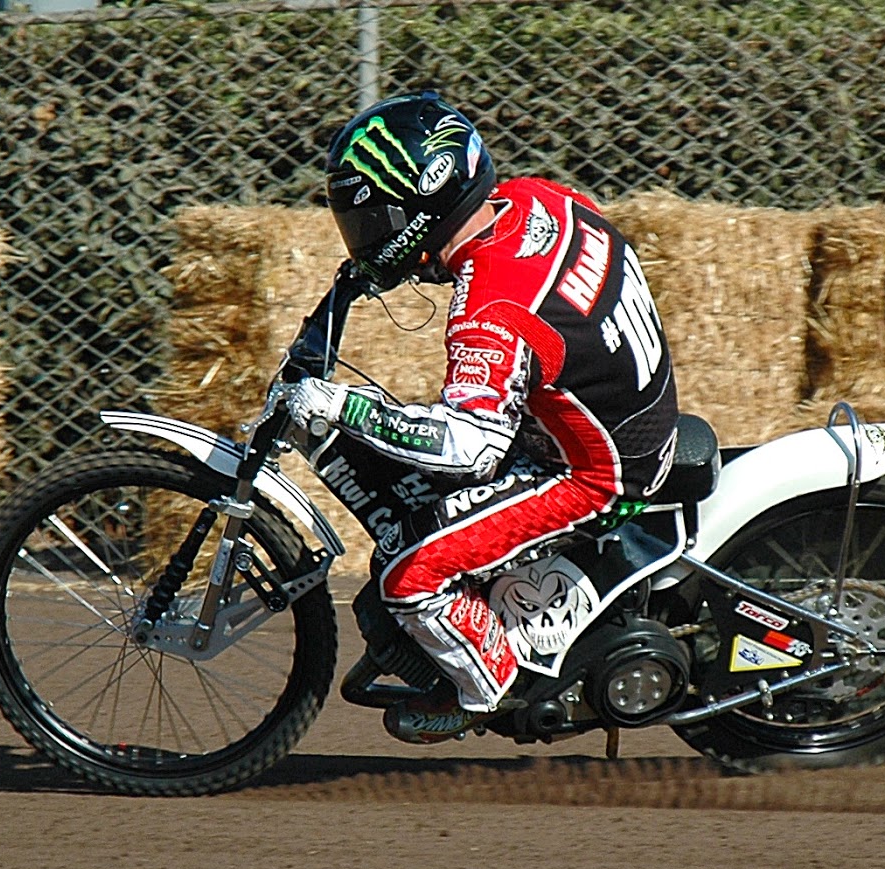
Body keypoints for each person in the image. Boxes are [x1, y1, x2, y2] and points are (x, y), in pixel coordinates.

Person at [286, 91, 678, 743]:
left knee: (411, 573)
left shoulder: (489, 312)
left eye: (375, 219)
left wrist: (345, 404)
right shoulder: (536, 199)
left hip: (593, 473)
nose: (367, 238)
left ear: (422, 204)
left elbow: (469, 448)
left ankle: (484, 687)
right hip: (629, 413)